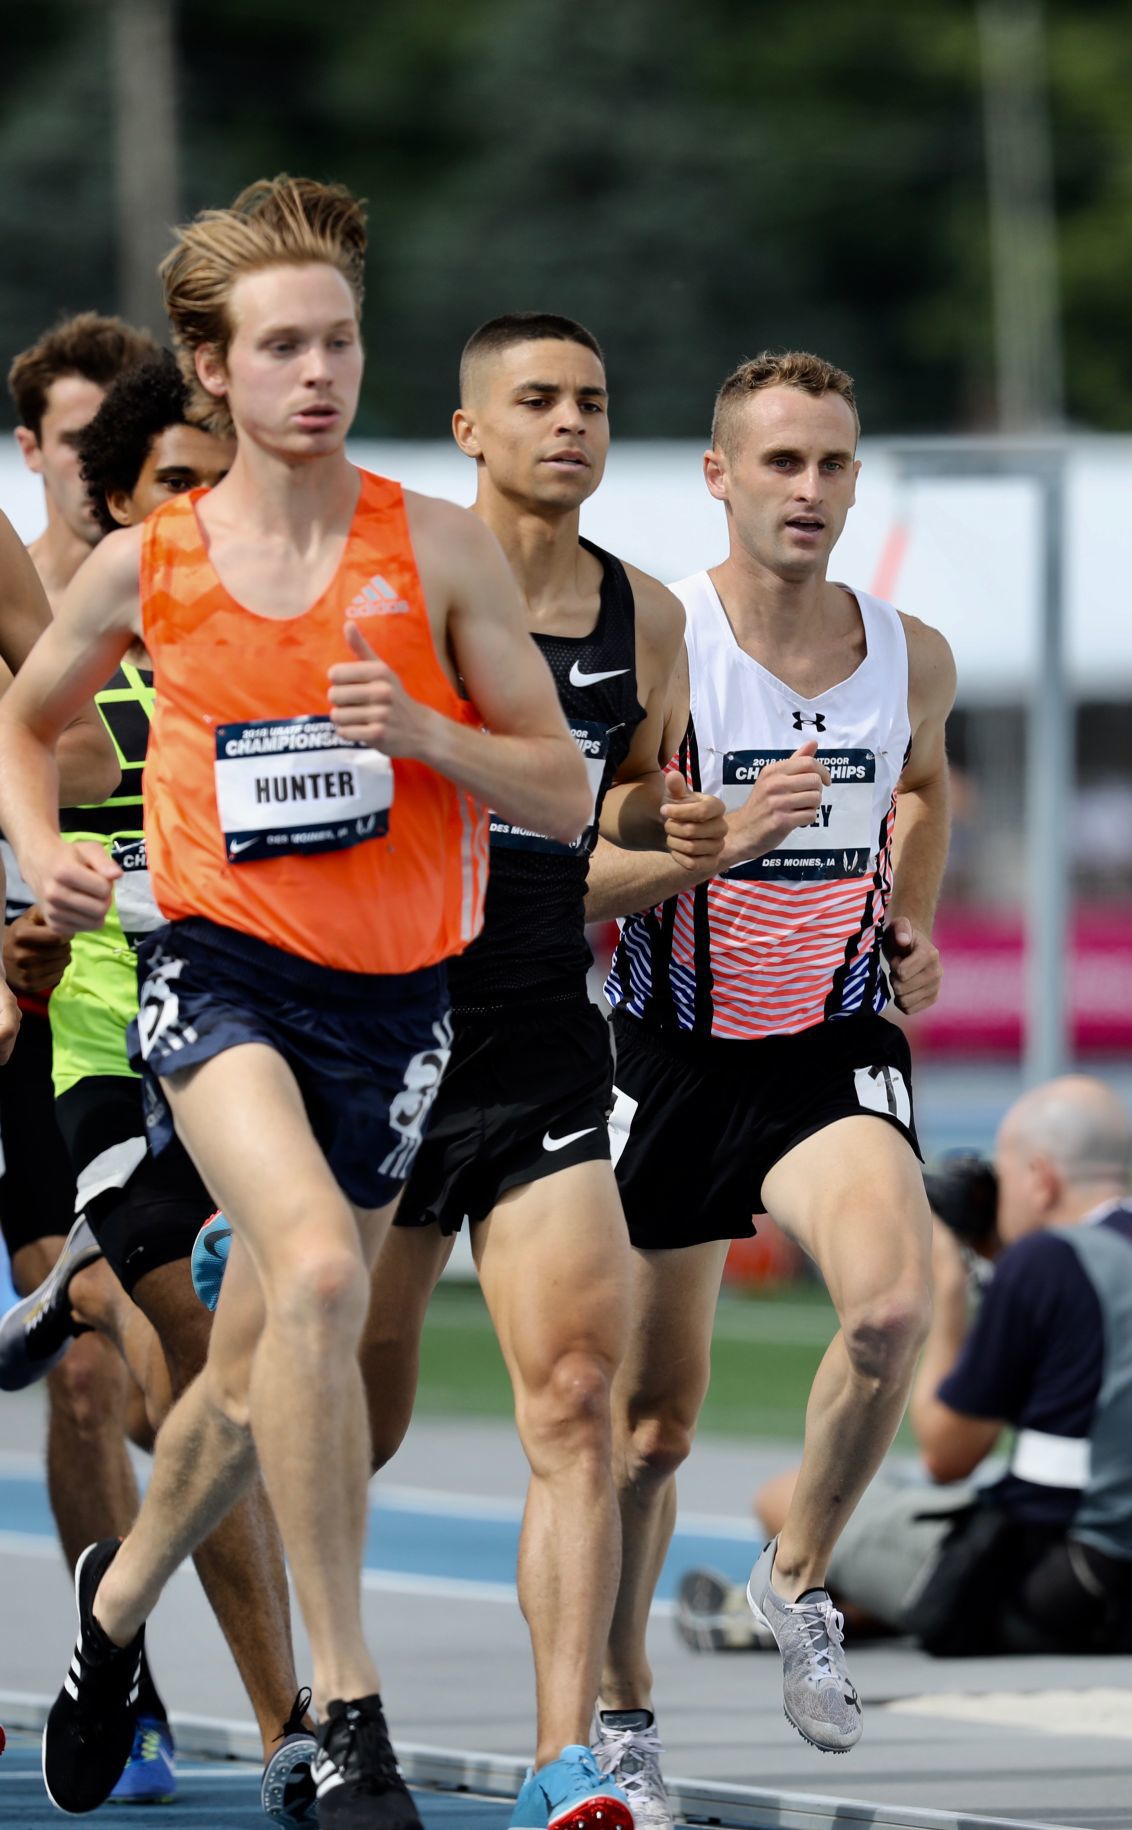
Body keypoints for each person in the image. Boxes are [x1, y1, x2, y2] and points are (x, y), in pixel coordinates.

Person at [0, 174, 590, 1827]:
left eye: (337, 341)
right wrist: (46, 854)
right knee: (320, 1270)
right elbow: (25, 716)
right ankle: (348, 1716)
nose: (318, 374)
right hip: (219, 978)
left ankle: (110, 1619)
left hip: (397, 1005)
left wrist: (426, 733)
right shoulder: (155, 564)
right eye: (280, 346)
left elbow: (555, 788)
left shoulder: (437, 548)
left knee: (260, 1375)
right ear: (213, 367)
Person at [359, 312, 724, 1830]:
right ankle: (229, 1667)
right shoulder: (398, 581)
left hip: (538, 1044)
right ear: (467, 428)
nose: (568, 422)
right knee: (335, 1420)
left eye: (588, 399)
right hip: (373, 1037)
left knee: (575, 1397)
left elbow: (623, 816)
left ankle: (562, 1758)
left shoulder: (644, 616)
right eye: (535, 400)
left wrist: (690, 839)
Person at [583, 351, 955, 1783]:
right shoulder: (673, 642)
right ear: (720, 474)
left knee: (889, 1310)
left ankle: (796, 1579)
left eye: (835, 464)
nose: (811, 490)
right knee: (649, 1433)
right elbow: (597, 848)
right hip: (675, 1048)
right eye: (783, 463)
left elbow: (920, 784)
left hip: (829, 1040)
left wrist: (908, 916)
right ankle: (622, 1717)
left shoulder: (910, 648)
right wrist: (716, 835)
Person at [0, 348, 320, 1824]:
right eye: (165, 485)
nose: (198, 508)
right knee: (171, 1355)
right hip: (83, 1034)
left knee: (222, 1390)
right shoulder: (61, 650)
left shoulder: (290, 624)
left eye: (214, 480)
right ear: (89, 485)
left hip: (244, 1026)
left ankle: (133, 1618)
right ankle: (291, 1725)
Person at [679, 1078, 1132, 1659]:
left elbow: (948, 1455)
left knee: (788, 1499)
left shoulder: (1044, 1259)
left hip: (1068, 1582)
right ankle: (860, 1610)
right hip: (1100, 1560)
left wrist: (944, 1287)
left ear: (1041, 1179)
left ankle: (833, 1609)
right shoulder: (1084, 1258)